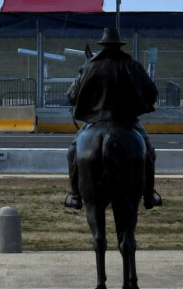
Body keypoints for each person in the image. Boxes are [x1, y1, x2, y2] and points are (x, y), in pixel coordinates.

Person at [61, 27, 160, 212]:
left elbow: (71, 95)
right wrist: (139, 103)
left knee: (72, 152)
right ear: (119, 46)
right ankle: (149, 195)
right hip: (127, 121)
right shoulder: (131, 64)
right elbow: (152, 91)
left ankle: (75, 196)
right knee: (148, 153)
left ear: (103, 46)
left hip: (95, 121)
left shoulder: (91, 65)